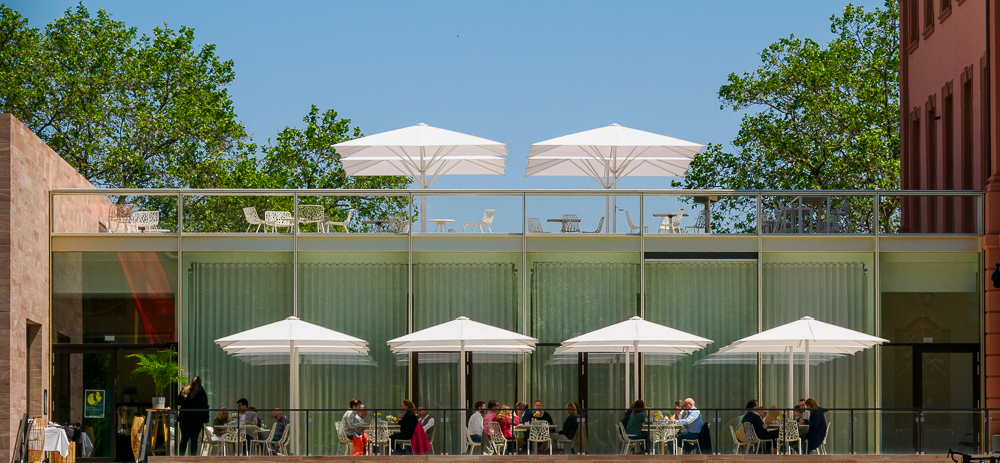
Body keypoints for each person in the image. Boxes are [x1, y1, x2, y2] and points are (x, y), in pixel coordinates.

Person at [176, 376, 209, 456]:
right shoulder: (201, 391)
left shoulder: (185, 390)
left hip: (185, 418)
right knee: (194, 439)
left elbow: (178, 402)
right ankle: (193, 458)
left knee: (184, 438)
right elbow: (205, 403)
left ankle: (181, 457)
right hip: (197, 419)